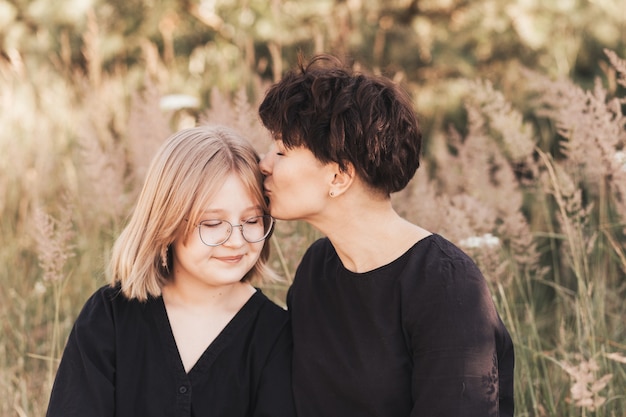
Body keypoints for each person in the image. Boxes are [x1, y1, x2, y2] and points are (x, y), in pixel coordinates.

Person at [258, 54, 515, 417]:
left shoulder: (446, 286)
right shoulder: (316, 269)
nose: (264, 163)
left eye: (282, 150)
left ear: (339, 176)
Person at [46, 125, 295, 417]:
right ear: (168, 222)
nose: (237, 241)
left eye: (252, 220)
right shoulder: (110, 317)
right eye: (212, 224)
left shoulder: (276, 335)